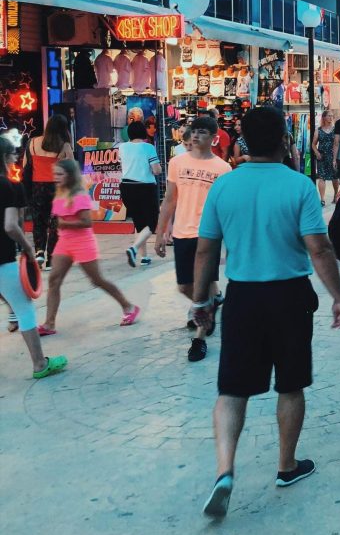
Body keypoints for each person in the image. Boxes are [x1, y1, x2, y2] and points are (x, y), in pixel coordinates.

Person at [192, 107, 340, 518]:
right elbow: (319, 246)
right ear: (284, 140)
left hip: (242, 296)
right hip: (289, 296)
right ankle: (286, 465)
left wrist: (201, 302)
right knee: (290, 385)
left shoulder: (224, 187)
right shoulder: (299, 186)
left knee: (232, 389)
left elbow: (206, 249)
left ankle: (225, 470)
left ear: (243, 141)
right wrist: (338, 295)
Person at [155, 116, 232, 362]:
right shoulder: (177, 162)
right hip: (182, 232)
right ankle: (211, 305)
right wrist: (160, 232)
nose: (196, 136)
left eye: (202, 132)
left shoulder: (223, 168)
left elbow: (225, 207)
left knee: (202, 289)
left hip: (208, 235)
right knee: (184, 286)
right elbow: (170, 199)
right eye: (194, 131)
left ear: (213, 138)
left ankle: (199, 339)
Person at [39, 159, 140, 334]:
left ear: (69, 176)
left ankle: (129, 307)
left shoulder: (79, 195)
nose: (55, 178)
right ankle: (49, 323)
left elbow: (86, 222)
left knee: (97, 280)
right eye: (55, 174)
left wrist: (64, 224)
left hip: (82, 242)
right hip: (64, 242)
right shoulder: (59, 193)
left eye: (59, 174)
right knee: (54, 280)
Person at [0, 137, 67, 377]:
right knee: (25, 309)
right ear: (6, 158)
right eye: (13, 155)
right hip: (3, 259)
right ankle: (40, 364)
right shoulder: (10, 187)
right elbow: (10, 225)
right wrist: (28, 247)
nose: (16, 159)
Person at [27, 114, 74, 271]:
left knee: (39, 221)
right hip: (57, 188)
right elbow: (71, 168)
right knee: (56, 223)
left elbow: (25, 167)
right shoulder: (64, 146)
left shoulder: (32, 142)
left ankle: (39, 251)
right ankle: (51, 258)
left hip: (37, 186)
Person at [119, 120, 162, 268]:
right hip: (145, 187)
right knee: (151, 223)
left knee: (139, 222)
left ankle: (144, 257)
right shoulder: (148, 147)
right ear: (143, 132)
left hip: (126, 187)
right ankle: (134, 248)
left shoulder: (122, 147)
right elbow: (156, 170)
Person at [312, 109, 338, 206]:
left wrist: (336, 157)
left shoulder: (335, 130)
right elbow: (313, 144)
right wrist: (317, 152)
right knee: (322, 177)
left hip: (333, 156)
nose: (331, 118)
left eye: (332, 116)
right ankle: (322, 199)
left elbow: (337, 143)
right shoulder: (318, 130)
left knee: (335, 177)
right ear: (324, 117)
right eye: (329, 116)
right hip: (322, 156)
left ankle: (335, 195)